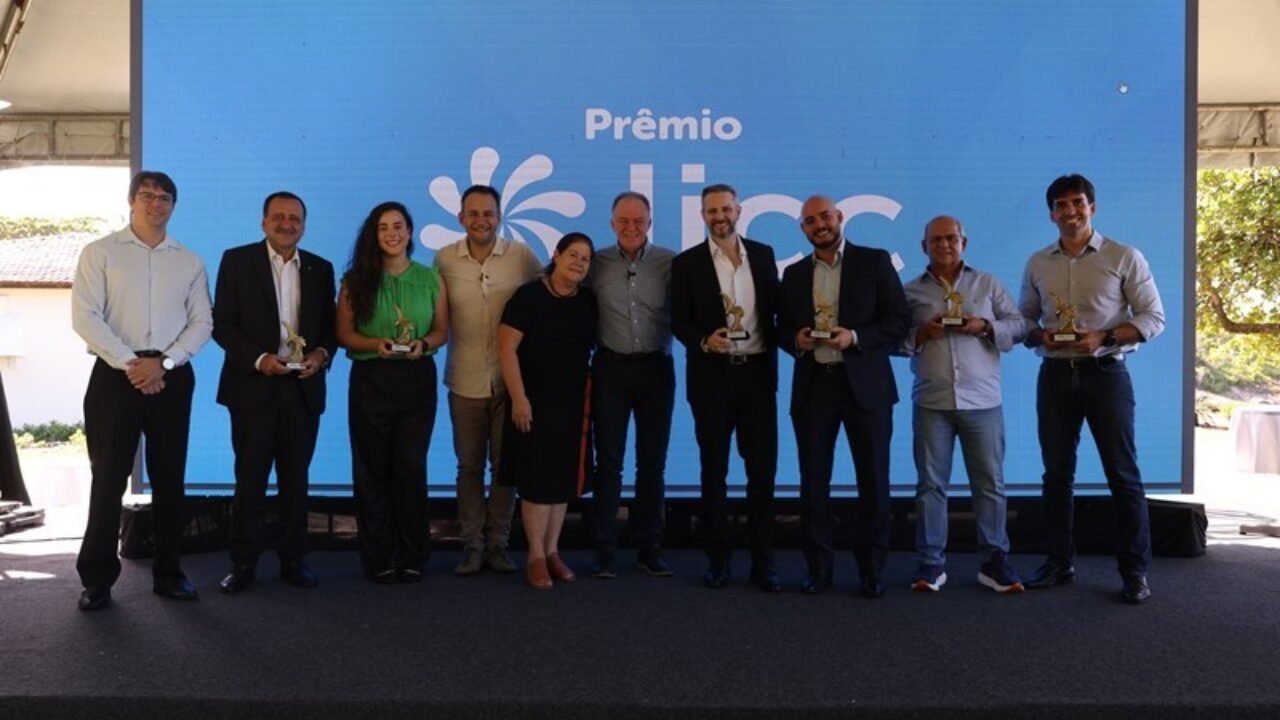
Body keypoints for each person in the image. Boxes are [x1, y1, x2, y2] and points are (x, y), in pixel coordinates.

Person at [1018, 174, 1165, 605]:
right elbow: (1024, 320)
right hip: (1055, 376)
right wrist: (1039, 335)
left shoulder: (1124, 256)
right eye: (1061, 205)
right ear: (1051, 214)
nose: (1070, 211)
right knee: (1056, 476)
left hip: (1107, 375)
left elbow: (1153, 317)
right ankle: (1058, 563)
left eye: (1078, 203)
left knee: (1122, 474)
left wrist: (1105, 337)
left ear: (1092, 208)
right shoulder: (1037, 262)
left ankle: (1134, 572)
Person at [70, 170, 213, 611]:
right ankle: (97, 579)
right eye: (147, 195)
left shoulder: (189, 261)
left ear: (173, 206)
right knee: (107, 478)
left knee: (170, 479)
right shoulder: (100, 253)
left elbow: (202, 322)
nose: (156, 203)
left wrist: (163, 363)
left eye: (165, 197)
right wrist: (130, 363)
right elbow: (86, 317)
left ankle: (170, 573)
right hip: (116, 376)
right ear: (131, 201)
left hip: (171, 374)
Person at [778, 195, 909, 599]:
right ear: (803, 228)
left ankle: (872, 570)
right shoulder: (794, 274)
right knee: (813, 484)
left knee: (874, 481)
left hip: (866, 387)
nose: (820, 225)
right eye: (810, 221)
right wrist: (796, 339)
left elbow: (900, 320)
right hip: (815, 384)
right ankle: (818, 569)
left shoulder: (874, 261)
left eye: (825, 217)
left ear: (839, 217)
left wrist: (855, 337)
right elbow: (780, 326)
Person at [212, 191, 336, 594]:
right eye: (279, 217)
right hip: (253, 387)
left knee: (296, 480)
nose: (287, 224)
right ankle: (243, 562)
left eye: (295, 218)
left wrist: (321, 354)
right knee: (249, 479)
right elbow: (222, 324)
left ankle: (294, 559)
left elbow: (331, 327)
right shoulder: (236, 261)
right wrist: (259, 358)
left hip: (302, 389)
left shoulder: (320, 268)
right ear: (263, 222)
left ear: (304, 225)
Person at [901, 215, 1025, 594]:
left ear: (964, 243)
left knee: (989, 485)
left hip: (983, 402)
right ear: (924, 247)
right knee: (930, 487)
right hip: (932, 402)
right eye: (936, 240)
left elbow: (1020, 325)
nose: (944, 245)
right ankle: (931, 563)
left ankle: (994, 562)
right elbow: (892, 340)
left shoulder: (988, 284)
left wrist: (985, 326)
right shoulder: (909, 292)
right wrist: (923, 332)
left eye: (951, 238)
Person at [671, 184, 781, 592]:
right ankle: (717, 561)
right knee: (713, 473)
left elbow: (776, 312)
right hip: (711, 379)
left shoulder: (764, 255)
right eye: (712, 211)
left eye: (726, 209)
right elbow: (677, 320)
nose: (720, 217)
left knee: (762, 474)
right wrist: (703, 340)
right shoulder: (686, 263)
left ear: (739, 211)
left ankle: (764, 563)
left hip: (757, 377)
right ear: (703, 215)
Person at [337, 201, 449, 584]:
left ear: (410, 231)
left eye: (398, 226)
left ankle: (413, 554)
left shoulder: (431, 278)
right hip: (371, 380)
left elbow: (441, 331)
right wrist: (374, 344)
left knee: (411, 468)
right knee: (372, 471)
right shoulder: (355, 281)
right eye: (383, 227)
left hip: (417, 380)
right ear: (374, 234)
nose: (392, 233)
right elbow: (344, 334)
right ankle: (378, 557)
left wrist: (423, 344)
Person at [434, 185, 541, 576]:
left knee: (504, 468)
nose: (481, 220)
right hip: (463, 379)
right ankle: (471, 546)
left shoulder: (521, 256)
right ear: (461, 218)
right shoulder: (444, 259)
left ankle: (498, 544)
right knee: (468, 468)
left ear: (499, 217)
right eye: (474, 213)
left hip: (509, 382)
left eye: (489, 213)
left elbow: (548, 293)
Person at [497, 232, 596, 590]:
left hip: (573, 404)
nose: (578, 263)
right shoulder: (528, 296)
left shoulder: (588, 301)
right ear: (556, 254)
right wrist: (519, 399)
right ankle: (535, 556)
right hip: (533, 402)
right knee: (537, 482)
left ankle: (553, 551)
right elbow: (506, 349)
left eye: (585, 259)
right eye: (573, 255)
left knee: (562, 481)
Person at [587, 191, 676, 579]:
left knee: (652, 464)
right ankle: (605, 552)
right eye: (623, 221)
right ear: (611, 224)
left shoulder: (670, 262)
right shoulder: (595, 262)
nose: (631, 227)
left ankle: (650, 549)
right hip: (610, 369)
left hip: (657, 369)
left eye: (638, 221)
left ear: (650, 222)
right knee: (608, 463)